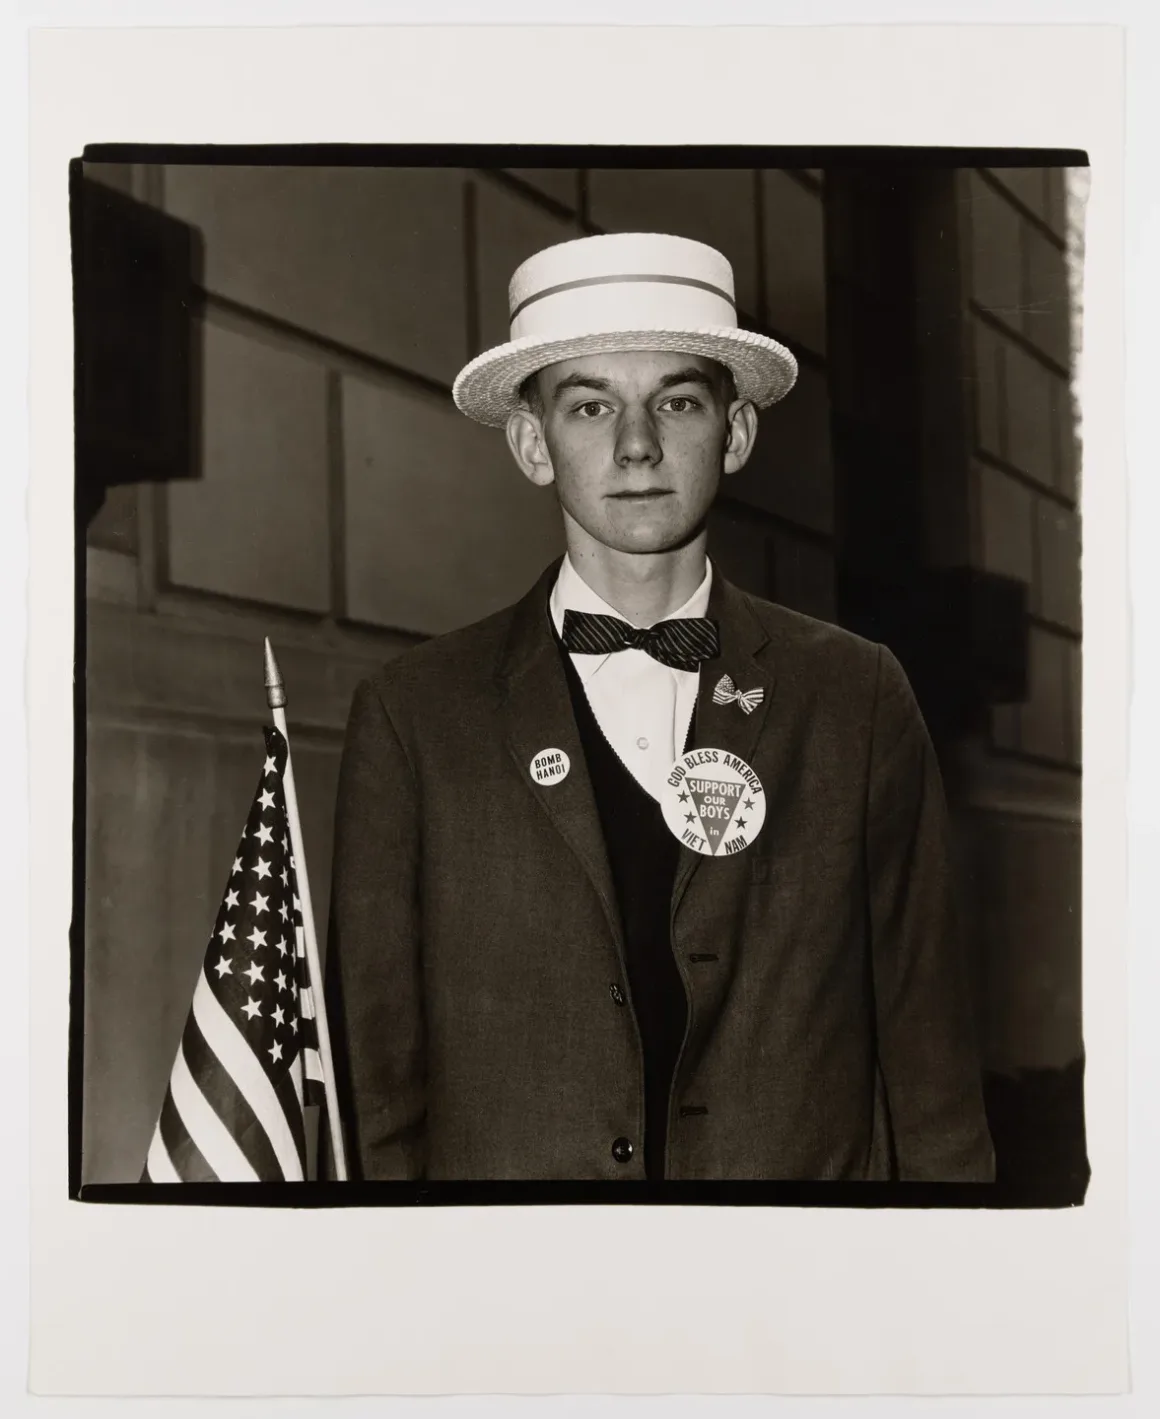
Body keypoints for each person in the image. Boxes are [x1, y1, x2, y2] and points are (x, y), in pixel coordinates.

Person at [325, 231, 995, 1183]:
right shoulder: (415, 717)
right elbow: (375, 1092)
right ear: (531, 442)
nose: (636, 445)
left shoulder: (856, 697)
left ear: (736, 431)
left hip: (779, 1284)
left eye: (677, 401)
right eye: (590, 405)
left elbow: (932, 1074)